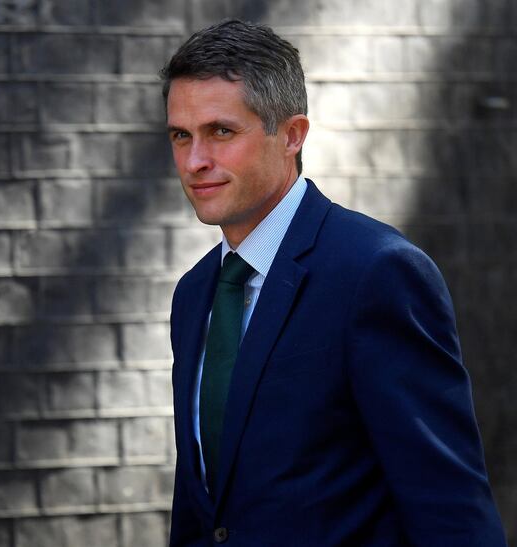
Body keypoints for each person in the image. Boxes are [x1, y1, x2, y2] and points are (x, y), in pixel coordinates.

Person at [162, 19, 506, 546]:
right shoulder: (194, 293)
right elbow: (202, 506)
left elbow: (448, 506)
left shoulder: (376, 272)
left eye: (221, 132)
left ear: (292, 136)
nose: (195, 161)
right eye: (181, 136)